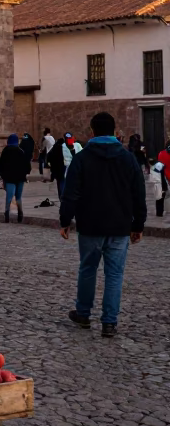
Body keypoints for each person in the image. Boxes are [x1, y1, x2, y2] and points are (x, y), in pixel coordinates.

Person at [60, 111, 146, 337]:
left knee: (87, 269)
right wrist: (138, 225)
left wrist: (65, 220)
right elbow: (139, 193)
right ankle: (109, 322)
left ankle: (83, 313)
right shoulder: (128, 158)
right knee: (114, 274)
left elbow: (71, 193)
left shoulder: (82, 158)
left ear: (92, 132)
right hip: (119, 226)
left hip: (90, 225)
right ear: (115, 132)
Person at [0, 134, 32, 223]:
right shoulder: (21, 151)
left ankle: (7, 214)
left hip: (9, 178)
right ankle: (20, 214)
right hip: (20, 178)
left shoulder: (5, 151)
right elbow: (27, 166)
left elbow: (0, 166)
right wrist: (25, 174)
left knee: (9, 197)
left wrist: (3, 176)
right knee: (18, 197)